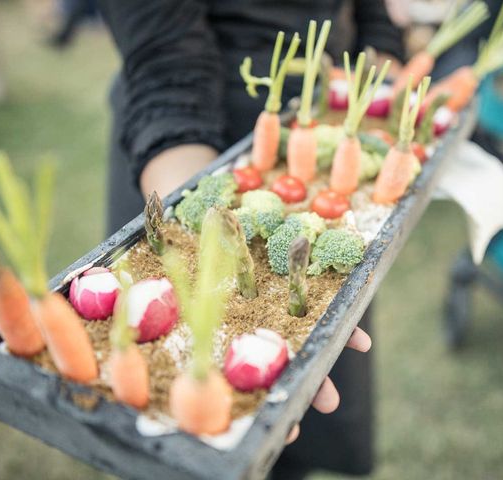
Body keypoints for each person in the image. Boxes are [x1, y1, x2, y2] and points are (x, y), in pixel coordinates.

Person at [97, 1, 404, 477]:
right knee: (186, 432)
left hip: (318, 129)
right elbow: (166, 61)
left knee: (293, 413)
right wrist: (212, 236)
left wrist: (383, 54)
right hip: (195, 151)